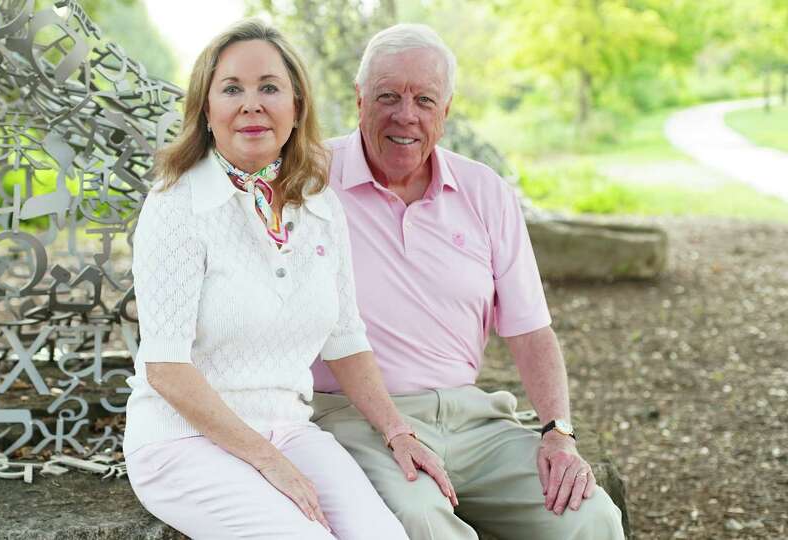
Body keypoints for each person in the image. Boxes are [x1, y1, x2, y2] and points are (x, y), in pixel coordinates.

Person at [124, 19, 444, 539]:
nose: (252, 104)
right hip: (180, 440)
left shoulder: (318, 203)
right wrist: (266, 461)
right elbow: (166, 369)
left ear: (296, 107)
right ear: (207, 111)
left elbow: (345, 339)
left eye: (269, 88)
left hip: (290, 429)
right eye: (232, 89)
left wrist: (397, 430)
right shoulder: (177, 206)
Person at [310, 24, 626, 540]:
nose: (405, 115)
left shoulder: (484, 191)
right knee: (418, 520)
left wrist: (558, 435)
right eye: (388, 96)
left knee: (590, 518)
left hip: (473, 418)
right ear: (360, 99)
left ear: (447, 110)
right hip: (357, 419)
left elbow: (530, 332)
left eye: (424, 100)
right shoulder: (308, 180)